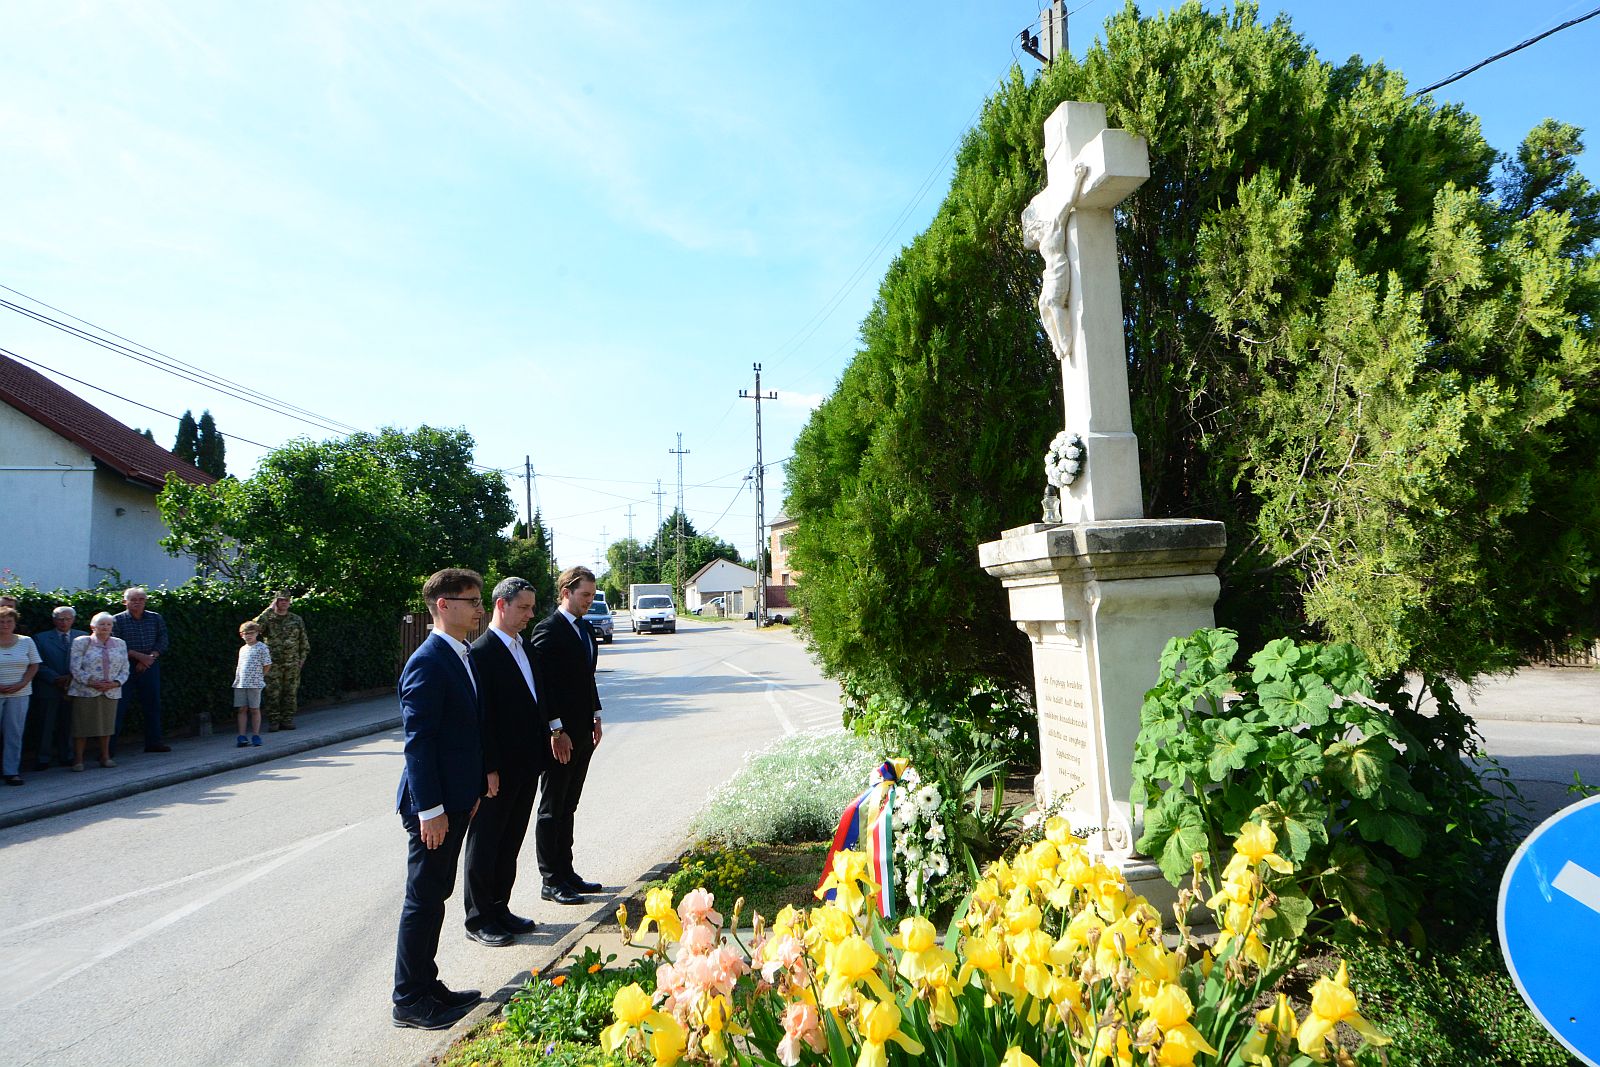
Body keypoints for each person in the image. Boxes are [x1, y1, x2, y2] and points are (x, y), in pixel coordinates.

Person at [391, 568, 488, 1030]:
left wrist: (469, 792)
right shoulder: (429, 660)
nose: (479, 608)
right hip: (432, 809)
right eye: (471, 600)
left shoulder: (460, 653)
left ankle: (428, 986)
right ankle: (409, 1000)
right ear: (443, 605)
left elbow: (463, 735)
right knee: (423, 900)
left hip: (454, 800)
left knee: (437, 896)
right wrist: (430, 811)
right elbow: (419, 743)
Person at [462, 576, 570, 946]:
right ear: (500, 605)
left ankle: (500, 907)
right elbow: (482, 718)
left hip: (527, 763)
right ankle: (479, 919)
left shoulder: (523, 647)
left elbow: (540, 697)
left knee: (510, 841)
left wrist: (555, 729)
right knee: (486, 842)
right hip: (499, 769)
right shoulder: (481, 653)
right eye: (522, 607)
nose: (529, 614)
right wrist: (488, 767)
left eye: (531, 607)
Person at [530, 565, 605, 905]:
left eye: (591, 594)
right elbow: (542, 686)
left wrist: (596, 715)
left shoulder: (586, 630)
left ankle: (568, 872)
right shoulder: (548, 630)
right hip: (560, 735)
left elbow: (587, 678)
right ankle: (551, 879)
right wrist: (555, 729)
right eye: (584, 595)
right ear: (565, 593)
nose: (590, 601)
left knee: (569, 804)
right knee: (552, 805)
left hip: (583, 730)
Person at [112, 587, 171, 753]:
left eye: (141, 599)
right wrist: (139, 657)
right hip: (124, 667)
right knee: (119, 706)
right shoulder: (116, 620)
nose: (137, 602)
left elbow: (163, 639)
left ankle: (154, 743)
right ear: (125, 602)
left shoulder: (155, 618)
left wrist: (149, 658)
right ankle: (109, 749)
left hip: (150, 665)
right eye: (133, 599)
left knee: (153, 704)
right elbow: (115, 645)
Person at [69, 612, 128, 771]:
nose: (105, 627)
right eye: (101, 624)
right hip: (85, 691)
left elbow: (125, 668)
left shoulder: (120, 643)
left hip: (111, 691)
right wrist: (92, 682)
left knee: (106, 726)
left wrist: (115, 683)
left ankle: (105, 756)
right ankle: (79, 759)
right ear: (92, 626)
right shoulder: (82, 642)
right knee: (82, 726)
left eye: (108, 624)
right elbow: (75, 667)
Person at [30, 606, 83, 770]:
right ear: (54, 620)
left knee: (68, 723)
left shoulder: (83, 636)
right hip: (49, 687)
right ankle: (43, 758)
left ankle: (66, 755)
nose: (64, 622)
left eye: (67, 619)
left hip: (74, 686)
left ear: (73, 620)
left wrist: (72, 677)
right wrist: (55, 678)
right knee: (46, 724)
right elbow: (37, 663)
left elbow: (89, 661)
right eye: (60, 619)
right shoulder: (40, 638)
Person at [0, 606, 42, 786]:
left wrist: (22, 683)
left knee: (14, 733)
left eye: (9, 621)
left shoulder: (26, 641)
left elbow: (34, 665)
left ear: (15, 623)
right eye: (1, 622)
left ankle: (11, 771)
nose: (5, 625)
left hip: (20, 693)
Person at [255, 593, 309, 731]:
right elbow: (254, 629)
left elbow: (303, 641)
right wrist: (268, 610)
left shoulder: (296, 619)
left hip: (292, 663)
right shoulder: (268, 618)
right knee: (273, 692)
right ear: (275, 602)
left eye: (286, 600)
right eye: (281, 600)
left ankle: (287, 720)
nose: (284, 602)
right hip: (272, 663)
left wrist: (302, 659)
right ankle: (274, 721)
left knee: (290, 692)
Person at [232, 621, 272, 748]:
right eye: (246, 633)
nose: (248, 636)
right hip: (241, 683)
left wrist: (260, 677)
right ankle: (242, 736)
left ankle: (255, 735)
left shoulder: (262, 647)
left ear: (257, 633)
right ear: (241, 635)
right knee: (242, 709)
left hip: (255, 683)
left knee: (255, 709)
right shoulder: (243, 649)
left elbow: (267, 664)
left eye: (251, 633)